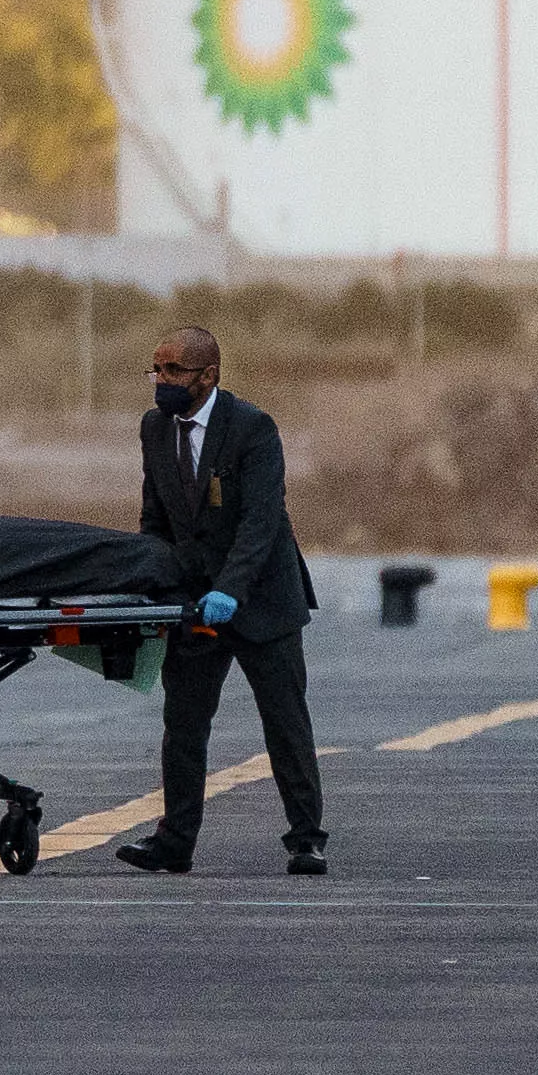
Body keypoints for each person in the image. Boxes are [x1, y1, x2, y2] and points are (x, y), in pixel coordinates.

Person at [119, 325, 328, 876]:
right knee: (183, 723)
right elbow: (155, 518)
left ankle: (306, 837)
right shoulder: (154, 429)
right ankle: (175, 840)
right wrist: (155, 586)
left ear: (208, 375)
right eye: (155, 369)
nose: (159, 381)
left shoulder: (252, 428)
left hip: (261, 599)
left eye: (172, 371)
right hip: (195, 603)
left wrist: (230, 591)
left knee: (285, 722)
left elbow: (260, 524)